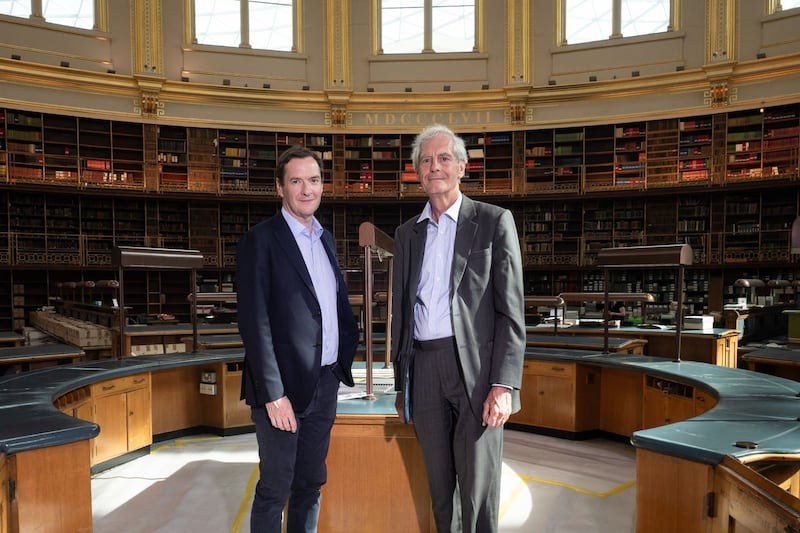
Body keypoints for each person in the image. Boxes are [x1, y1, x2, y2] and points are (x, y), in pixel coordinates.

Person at [390, 124, 526, 533]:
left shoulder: (492, 221)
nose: (435, 167)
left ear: (462, 167)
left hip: (476, 371)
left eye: (444, 158)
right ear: (416, 172)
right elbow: (400, 313)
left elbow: (510, 312)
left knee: (478, 486)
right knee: (439, 486)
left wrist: (503, 385)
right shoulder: (406, 234)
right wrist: (402, 383)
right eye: (426, 160)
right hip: (424, 369)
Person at [236, 144, 359, 533]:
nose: (307, 190)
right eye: (296, 181)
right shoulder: (261, 240)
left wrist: (340, 366)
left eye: (314, 180)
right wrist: (273, 394)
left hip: (324, 384)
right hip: (282, 391)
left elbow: (331, 306)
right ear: (279, 188)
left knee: (310, 484)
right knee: (276, 488)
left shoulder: (326, 239)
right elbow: (254, 322)